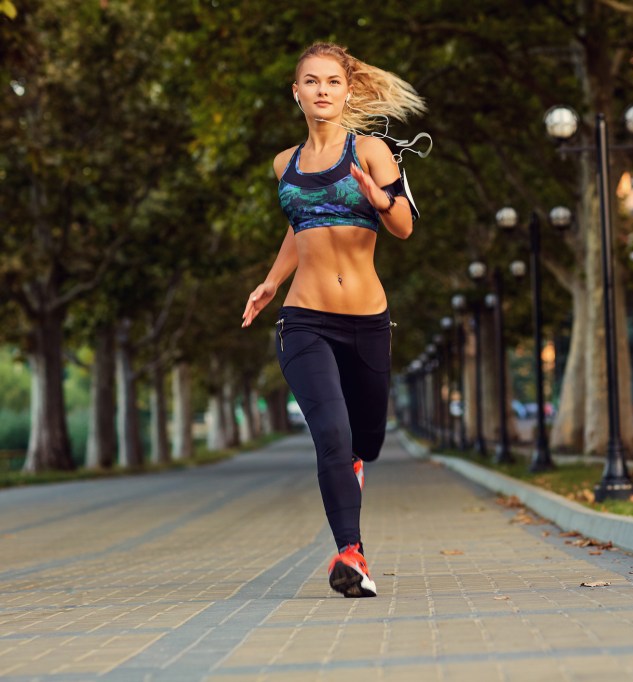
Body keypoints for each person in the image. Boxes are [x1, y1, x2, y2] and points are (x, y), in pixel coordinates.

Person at [240, 42, 425, 598]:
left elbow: (404, 229)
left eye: (332, 82)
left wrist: (380, 198)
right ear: (295, 91)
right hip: (304, 320)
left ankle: (353, 475)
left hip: (367, 319)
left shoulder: (369, 151)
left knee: (364, 441)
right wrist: (272, 282)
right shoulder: (284, 164)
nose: (322, 90)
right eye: (311, 82)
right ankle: (351, 553)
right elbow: (301, 227)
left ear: (347, 91)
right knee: (332, 436)